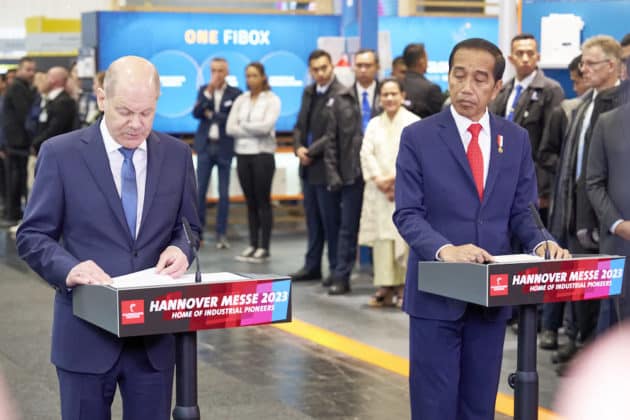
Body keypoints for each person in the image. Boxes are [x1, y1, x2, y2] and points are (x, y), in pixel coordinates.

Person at [15, 56, 201, 420]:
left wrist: (181, 250)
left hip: (152, 339)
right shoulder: (61, 153)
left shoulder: (177, 156)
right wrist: (69, 268)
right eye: (125, 112)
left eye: (146, 113)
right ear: (101, 99)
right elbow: (32, 234)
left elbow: (190, 228)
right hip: (85, 335)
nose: (136, 124)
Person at [393, 38, 569, 420]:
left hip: (491, 297)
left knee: (479, 408)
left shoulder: (515, 139)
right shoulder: (418, 137)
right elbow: (407, 213)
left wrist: (543, 243)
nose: (466, 87)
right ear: (449, 76)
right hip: (435, 296)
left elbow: (523, 211)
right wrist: (446, 250)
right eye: (459, 75)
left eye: (479, 78)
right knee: (433, 408)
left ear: (496, 87)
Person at [548, 35, 628, 370]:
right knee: (587, 297)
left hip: (601, 225)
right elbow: (581, 173)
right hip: (582, 219)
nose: (582, 69)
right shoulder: (584, 107)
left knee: (606, 304)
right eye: (583, 63)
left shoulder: (613, 107)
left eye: (590, 63)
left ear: (613, 66)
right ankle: (582, 345)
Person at [537, 54, 589, 351]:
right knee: (559, 267)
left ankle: (575, 334)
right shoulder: (566, 111)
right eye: (578, 77)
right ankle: (551, 327)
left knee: (582, 274)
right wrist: (571, 174)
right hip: (564, 204)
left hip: (589, 210)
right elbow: (546, 153)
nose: (579, 82)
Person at [489, 33, 564, 224]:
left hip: (535, 181)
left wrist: (544, 190)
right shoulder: (503, 90)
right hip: (502, 179)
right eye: (519, 53)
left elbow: (551, 145)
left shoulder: (550, 90)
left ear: (537, 57)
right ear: (510, 58)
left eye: (530, 53)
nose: (525, 58)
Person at [324, 48, 381, 295]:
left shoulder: (388, 95)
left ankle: (387, 282)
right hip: (352, 173)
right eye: (359, 65)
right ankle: (341, 276)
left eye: (368, 65)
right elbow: (331, 139)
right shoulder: (342, 98)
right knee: (347, 228)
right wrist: (333, 173)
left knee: (386, 229)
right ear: (353, 68)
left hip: (383, 175)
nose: (364, 69)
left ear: (377, 67)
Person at [359, 78, 418, 307]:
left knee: (404, 239)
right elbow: (366, 154)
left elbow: (415, 157)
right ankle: (385, 285)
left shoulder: (414, 122)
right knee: (383, 240)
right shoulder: (374, 124)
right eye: (385, 94)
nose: (390, 98)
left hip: (405, 190)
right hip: (379, 190)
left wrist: (395, 180)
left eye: (394, 94)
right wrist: (379, 179)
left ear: (402, 96)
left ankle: (404, 287)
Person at [289, 49, 343, 283]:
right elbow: (300, 125)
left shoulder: (341, 94)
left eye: (324, 68)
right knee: (312, 221)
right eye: (316, 69)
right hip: (307, 168)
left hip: (326, 167)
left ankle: (334, 269)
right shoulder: (309, 92)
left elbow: (334, 133)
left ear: (331, 67)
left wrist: (310, 151)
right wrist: (298, 148)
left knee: (331, 222)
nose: (320, 73)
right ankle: (312, 266)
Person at [226, 62, 281, 263]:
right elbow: (230, 128)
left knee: (263, 201)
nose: (251, 80)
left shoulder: (272, 99)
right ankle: (252, 243)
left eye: (255, 75)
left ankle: (264, 246)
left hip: (263, 155)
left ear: (263, 77)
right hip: (242, 154)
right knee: (250, 202)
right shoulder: (241, 99)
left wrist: (244, 126)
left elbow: (266, 128)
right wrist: (251, 128)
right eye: (248, 76)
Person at [586, 102, 630, 323]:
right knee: (615, 324)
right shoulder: (608, 122)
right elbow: (594, 182)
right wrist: (617, 224)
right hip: (619, 245)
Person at [192, 57, 242, 249]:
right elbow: (196, 113)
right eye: (213, 71)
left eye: (220, 71)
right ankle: (199, 234)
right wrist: (207, 94)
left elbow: (230, 118)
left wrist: (211, 114)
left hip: (224, 148)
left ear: (227, 72)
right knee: (199, 192)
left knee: (223, 193)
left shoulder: (236, 94)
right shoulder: (204, 90)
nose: (216, 74)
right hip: (205, 146)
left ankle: (221, 234)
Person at [2, 56, 36, 225]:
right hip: (17, 142)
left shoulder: (21, 87)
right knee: (16, 178)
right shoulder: (18, 88)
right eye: (28, 69)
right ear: (20, 69)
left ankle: (13, 213)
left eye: (33, 70)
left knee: (17, 177)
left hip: (16, 141)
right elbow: (25, 114)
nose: (31, 73)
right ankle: (13, 214)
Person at [32, 67, 77, 154]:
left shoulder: (64, 101)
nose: (44, 80)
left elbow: (54, 129)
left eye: (47, 76)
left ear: (54, 80)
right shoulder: (51, 99)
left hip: (56, 151)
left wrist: (35, 143)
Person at [401, 43, 443, 118]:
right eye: (426, 58)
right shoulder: (432, 88)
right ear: (421, 61)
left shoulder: (395, 84)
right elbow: (437, 120)